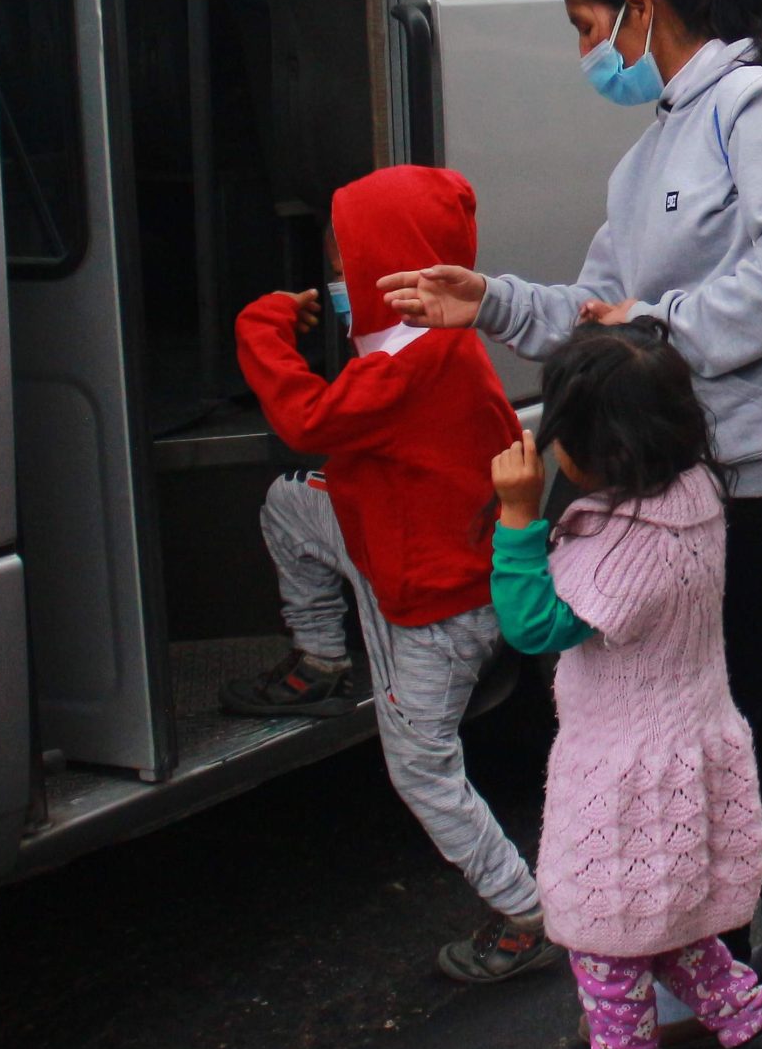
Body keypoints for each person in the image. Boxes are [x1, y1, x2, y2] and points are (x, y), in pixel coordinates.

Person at [379, 0, 762, 1018]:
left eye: (585, 22)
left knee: (723, 710)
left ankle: (756, 960)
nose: (584, 49)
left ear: (641, 12)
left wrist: (659, 326)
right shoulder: (654, 144)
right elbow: (596, 312)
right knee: (719, 711)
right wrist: (486, 299)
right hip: (700, 474)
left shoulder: (761, 106)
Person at [487, 323, 762, 1049]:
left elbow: (534, 625)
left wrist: (518, 518)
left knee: (602, 940)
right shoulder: (693, 498)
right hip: (686, 743)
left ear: (593, 450)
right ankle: (758, 1030)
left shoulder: (623, 547)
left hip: (627, 772)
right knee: (663, 924)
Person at [226, 166, 559, 986]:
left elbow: (307, 419)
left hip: (432, 603)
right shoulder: (431, 344)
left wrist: (261, 325)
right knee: (288, 505)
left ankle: (525, 911)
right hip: (399, 538)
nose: (338, 278)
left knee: (422, 768)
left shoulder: (408, 365)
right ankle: (323, 661)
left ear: (393, 268)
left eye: (348, 261)